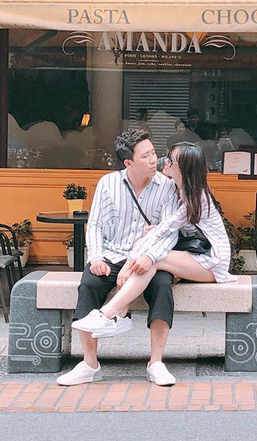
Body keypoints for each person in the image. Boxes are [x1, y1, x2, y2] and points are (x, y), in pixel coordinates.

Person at [76, 141, 236, 358]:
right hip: (196, 257)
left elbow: (165, 230)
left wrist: (128, 266)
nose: (161, 161)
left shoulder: (195, 196)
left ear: (182, 168)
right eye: (150, 155)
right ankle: (118, 312)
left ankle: (110, 312)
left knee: (153, 260)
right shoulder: (183, 191)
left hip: (212, 261)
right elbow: (165, 229)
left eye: (170, 159)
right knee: (150, 257)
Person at [57, 128, 180, 387]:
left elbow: (169, 232)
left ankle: (156, 362)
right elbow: (95, 225)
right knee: (89, 283)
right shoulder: (108, 183)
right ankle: (90, 364)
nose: (153, 160)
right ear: (128, 163)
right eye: (145, 156)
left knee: (162, 286)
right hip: (113, 254)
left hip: (150, 257)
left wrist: (149, 257)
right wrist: (96, 257)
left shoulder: (167, 186)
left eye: (153, 153)